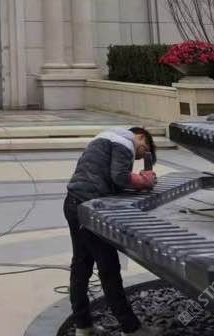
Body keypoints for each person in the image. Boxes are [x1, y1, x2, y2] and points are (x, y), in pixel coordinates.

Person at [63, 126, 159, 336]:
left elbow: (107, 176)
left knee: (81, 265)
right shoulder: (125, 142)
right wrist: (145, 180)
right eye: (144, 149)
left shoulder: (106, 138)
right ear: (141, 137)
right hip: (89, 209)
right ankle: (131, 328)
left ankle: (83, 326)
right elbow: (119, 177)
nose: (140, 156)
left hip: (73, 203)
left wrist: (135, 180)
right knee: (109, 268)